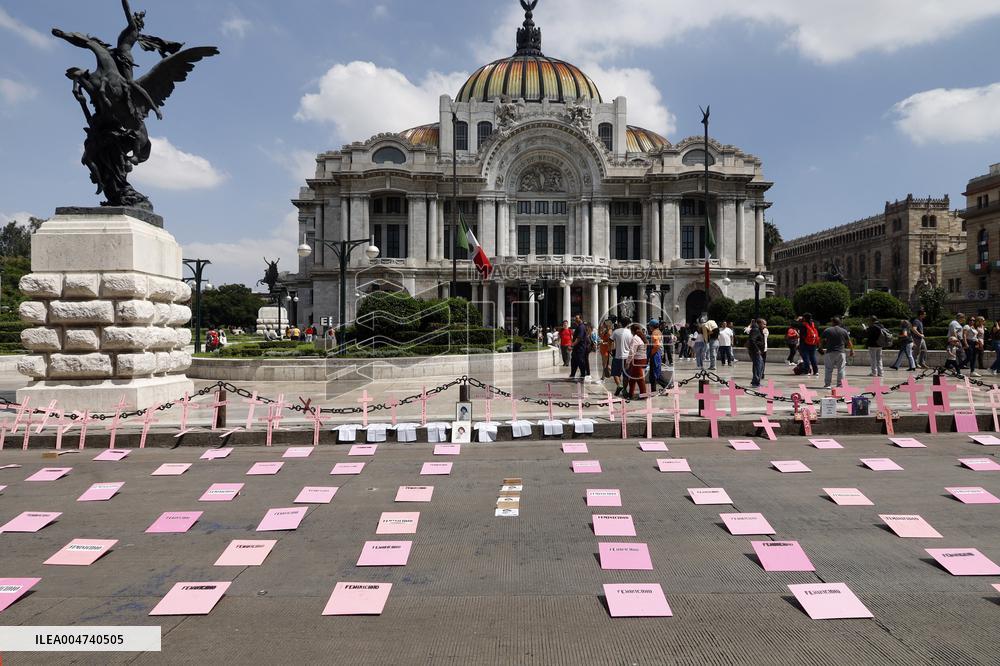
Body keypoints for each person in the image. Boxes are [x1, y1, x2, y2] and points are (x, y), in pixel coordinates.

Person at [820, 316, 854, 390]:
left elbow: (821, 340)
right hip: (841, 352)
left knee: (828, 369)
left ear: (832, 322)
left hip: (830, 352)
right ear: (839, 322)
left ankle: (827, 384)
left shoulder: (827, 330)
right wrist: (851, 350)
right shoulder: (844, 331)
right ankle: (840, 384)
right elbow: (849, 342)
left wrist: (820, 348)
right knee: (841, 369)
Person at [610, 317, 633, 397]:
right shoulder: (630, 333)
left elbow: (610, 341)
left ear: (621, 323)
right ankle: (624, 390)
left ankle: (619, 385)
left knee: (615, 373)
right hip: (627, 357)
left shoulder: (616, 332)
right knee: (626, 375)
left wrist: (610, 350)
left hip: (618, 356)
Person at [625, 323, 648, 399]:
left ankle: (643, 395)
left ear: (632, 331)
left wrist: (628, 362)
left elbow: (632, 351)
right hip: (643, 359)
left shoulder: (635, 338)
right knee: (632, 378)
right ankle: (630, 394)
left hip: (637, 360)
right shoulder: (641, 337)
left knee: (639, 379)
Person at [569, 314, 589, 381]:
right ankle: (572, 374)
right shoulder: (579, 326)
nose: (575, 319)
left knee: (580, 362)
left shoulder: (581, 327)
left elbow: (579, 338)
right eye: (575, 318)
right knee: (574, 361)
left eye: (577, 318)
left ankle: (583, 375)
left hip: (580, 348)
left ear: (581, 319)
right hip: (576, 348)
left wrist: (572, 345)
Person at [746, 319, 766, 388]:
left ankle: (755, 381)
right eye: (764, 324)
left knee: (758, 365)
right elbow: (752, 340)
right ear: (759, 323)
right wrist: (757, 349)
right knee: (758, 366)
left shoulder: (757, 329)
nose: (765, 326)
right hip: (755, 351)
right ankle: (756, 382)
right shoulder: (756, 330)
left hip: (756, 351)